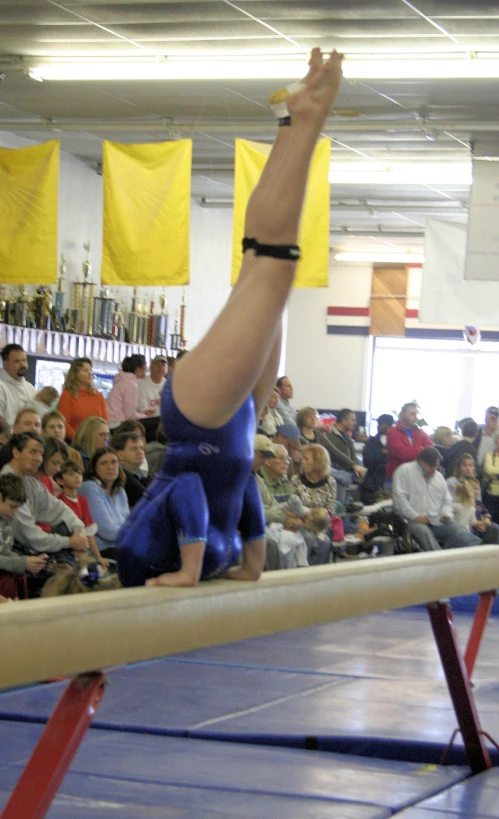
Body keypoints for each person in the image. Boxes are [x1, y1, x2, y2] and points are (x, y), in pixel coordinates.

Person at [116, 48, 345, 588]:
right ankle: (292, 119)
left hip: (197, 417)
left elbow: (189, 490)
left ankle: (307, 120)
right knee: (261, 262)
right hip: (236, 428)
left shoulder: (147, 556)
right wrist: (254, 564)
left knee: (272, 266)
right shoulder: (214, 544)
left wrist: (190, 571)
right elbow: (241, 484)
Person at [392, 447, 481, 552]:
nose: (434, 469)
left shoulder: (438, 477)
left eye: (437, 465)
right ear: (421, 461)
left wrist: (446, 513)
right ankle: (439, 560)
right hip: (410, 521)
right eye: (431, 466)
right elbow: (400, 500)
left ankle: (480, 548)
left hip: (436, 520)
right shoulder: (404, 471)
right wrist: (415, 516)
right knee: (424, 532)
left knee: (457, 527)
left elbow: (447, 500)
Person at [0, 473, 47, 600]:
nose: (15, 513)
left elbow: (5, 552)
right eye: (12, 507)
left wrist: (29, 561)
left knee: (21, 575)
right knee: (8, 580)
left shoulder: (9, 517)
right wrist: (22, 562)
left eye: (18, 508)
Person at [55, 461, 109, 569]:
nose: (77, 477)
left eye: (79, 474)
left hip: (82, 549)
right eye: (71, 474)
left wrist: (98, 557)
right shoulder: (59, 502)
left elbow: (89, 531)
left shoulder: (82, 500)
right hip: (67, 550)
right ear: (60, 481)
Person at [80, 447, 130, 560]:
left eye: (114, 462)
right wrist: (135, 532)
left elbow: (128, 523)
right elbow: (108, 532)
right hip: (100, 552)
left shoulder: (120, 492)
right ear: (94, 469)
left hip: (120, 546)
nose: (110, 467)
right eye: (104, 463)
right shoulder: (90, 488)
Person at [447, 453, 499, 544]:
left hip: (477, 518)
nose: (468, 468)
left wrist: (484, 519)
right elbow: (451, 505)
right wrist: (475, 523)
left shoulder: (475, 483)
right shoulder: (451, 482)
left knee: (495, 528)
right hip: (461, 519)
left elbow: (479, 504)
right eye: (465, 465)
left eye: (470, 465)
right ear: (459, 468)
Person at [57, 358, 108, 441]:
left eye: (90, 370)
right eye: (85, 370)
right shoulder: (67, 395)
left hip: (97, 442)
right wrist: (79, 440)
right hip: (75, 442)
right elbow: (64, 423)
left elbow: (104, 421)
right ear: (75, 374)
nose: (90, 373)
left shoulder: (98, 396)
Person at [386, 402, 433, 479]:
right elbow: (402, 454)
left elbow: (430, 452)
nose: (416, 417)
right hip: (396, 477)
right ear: (403, 415)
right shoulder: (393, 432)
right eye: (412, 414)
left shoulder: (421, 433)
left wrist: (413, 452)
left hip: (418, 477)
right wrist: (421, 449)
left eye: (416, 414)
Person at [107, 354, 155, 428]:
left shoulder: (123, 379)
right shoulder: (131, 384)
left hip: (111, 422)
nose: (146, 369)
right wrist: (145, 416)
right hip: (117, 425)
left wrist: (142, 413)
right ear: (138, 369)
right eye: (145, 366)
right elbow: (130, 415)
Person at [291, 443, 337, 516]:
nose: (302, 462)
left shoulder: (330, 481)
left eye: (306, 459)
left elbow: (331, 509)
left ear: (318, 461)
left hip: (322, 522)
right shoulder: (295, 480)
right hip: (301, 522)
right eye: (302, 458)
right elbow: (294, 508)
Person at [360, 414, 394, 505]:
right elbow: (367, 461)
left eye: (381, 424)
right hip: (372, 481)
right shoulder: (371, 441)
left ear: (389, 426)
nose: (379, 426)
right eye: (378, 424)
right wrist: (382, 454)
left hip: (391, 482)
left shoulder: (396, 442)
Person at [111, 431, 150, 508]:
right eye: (134, 449)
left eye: (141, 448)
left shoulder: (142, 474)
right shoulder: (122, 477)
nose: (140, 452)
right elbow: (151, 500)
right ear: (120, 455)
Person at [0, 344, 37, 426]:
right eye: (17, 361)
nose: (23, 365)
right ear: (5, 364)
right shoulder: (1, 386)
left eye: (24, 360)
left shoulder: (30, 388)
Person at [481, 432, 499, 523]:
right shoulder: (490, 455)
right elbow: (488, 469)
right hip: (491, 495)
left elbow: (492, 471)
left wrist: (495, 475)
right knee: (491, 522)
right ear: (496, 441)